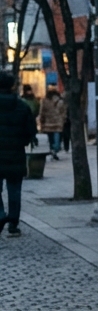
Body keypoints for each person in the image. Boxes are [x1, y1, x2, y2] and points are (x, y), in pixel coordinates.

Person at [0, 72, 34, 237]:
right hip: (16, 155)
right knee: (14, 190)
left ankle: (0, 214)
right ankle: (13, 222)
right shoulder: (22, 106)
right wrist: (21, 141)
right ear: (12, 86)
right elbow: (30, 131)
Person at [38, 88, 64, 160]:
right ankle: (55, 150)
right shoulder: (60, 101)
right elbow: (63, 112)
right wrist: (63, 120)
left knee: (50, 139)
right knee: (57, 139)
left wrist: (41, 120)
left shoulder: (44, 101)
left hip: (48, 123)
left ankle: (52, 150)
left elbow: (42, 111)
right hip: (58, 123)